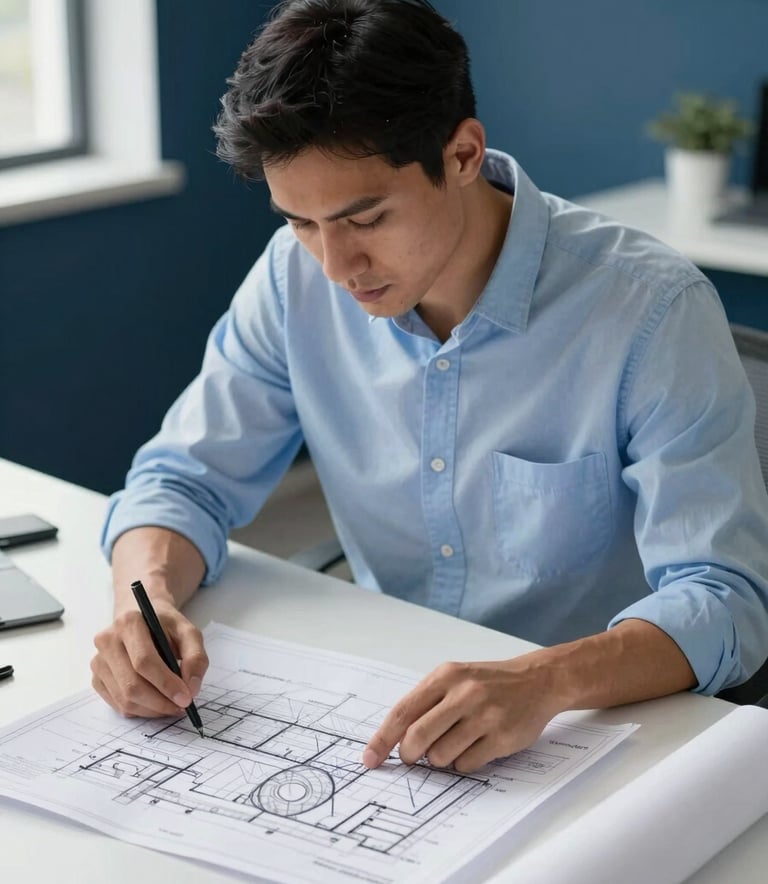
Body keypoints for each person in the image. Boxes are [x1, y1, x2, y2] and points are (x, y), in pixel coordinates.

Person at [91, 0, 768, 773]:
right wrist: (142, 602)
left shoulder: (650, 311)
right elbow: (183, 480)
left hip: (591, 728)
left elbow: (722, 598)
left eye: (366, 218)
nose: (334, 268)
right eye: (301, 224)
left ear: (463, 154)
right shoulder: (291, 280)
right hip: (383, 704)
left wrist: (544, 680)